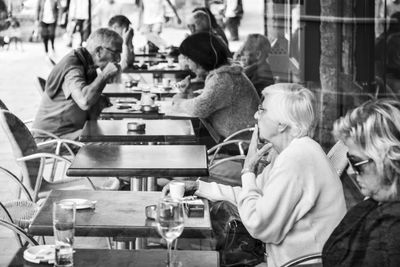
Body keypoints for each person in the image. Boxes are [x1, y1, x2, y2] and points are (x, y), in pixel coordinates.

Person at [165, 83, 347, 267]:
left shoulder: (296, 159)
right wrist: (199, 187)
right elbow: (251, 194)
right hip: (281, 259)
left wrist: (248, 170)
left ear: (282, 124)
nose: (255, 115)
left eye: (261, 110)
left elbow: (258, 223)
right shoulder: (288, 152)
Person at [322, 99, 400, 266]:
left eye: (356, 162)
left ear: (386, 160)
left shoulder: (390, 231)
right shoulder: (377, 202)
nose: (350, 171)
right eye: (348, 160)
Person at [32, 28, 122, 143]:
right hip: (51, 138)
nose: (118, 59)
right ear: (99, 51)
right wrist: (104, 75)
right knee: (110, 141)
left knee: (112, 133)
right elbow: (84, 101)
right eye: (115, 53)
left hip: (70, 132)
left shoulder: (88, 64)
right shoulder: (73, 67)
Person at [171, 32, 259, 140]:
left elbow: (199, 108)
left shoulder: (222, 79)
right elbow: (208, 100)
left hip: (239, 144)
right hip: (233, 138)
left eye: (188, 59)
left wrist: (178, 102)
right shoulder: (226, 73)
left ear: (199, 57)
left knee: (184, 142)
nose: (187, 64)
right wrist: (187, 92)